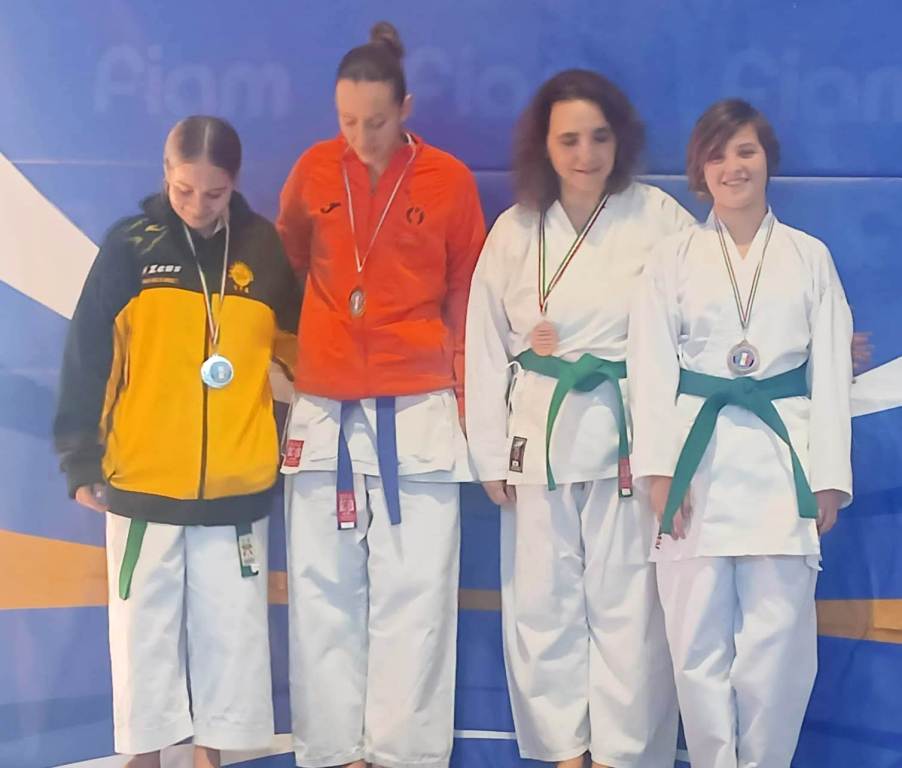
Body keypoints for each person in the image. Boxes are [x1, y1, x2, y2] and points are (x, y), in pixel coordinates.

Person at [53, 115, 300, 768]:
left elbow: (297, 352)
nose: (197, 205)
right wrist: (79, 457)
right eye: (184, 189)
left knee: (231, 639)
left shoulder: (263, 249)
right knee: (145, 641)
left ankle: (207, 758)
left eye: (213, 193)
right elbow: (87, 354)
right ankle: (144, 758)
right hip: (143, 482)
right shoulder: (130, 246)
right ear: (166, 174)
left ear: (235, 183)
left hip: (236, 486)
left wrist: (280, 431)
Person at [465, 69, 694, 768]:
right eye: (569, 140)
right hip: (538, 436)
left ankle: (626, 756)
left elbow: (710, 312)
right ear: (544, 144)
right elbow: (483, 343)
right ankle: (565, 754)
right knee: (544, 606)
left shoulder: (658, 218)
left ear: (620, 140)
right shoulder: (515, 229)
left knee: (631, 611)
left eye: (598, 137)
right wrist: (490, 451)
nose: (585, 154)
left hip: (628, 438)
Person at [275, 21, 486, 768]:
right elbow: (286, 268)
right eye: (347, 122)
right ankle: (333, 753)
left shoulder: (449, 181)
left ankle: (405, 756)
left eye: (376, 121)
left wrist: (471, 402)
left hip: (419, 404)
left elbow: (467, 296)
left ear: (405, 109)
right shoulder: (311, 171)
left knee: (417, 598)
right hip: (325, 405)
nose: (361, 137)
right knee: (321, 598)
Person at [628, 98, 853, 768]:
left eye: (746, 151)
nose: (734, 166)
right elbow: (649, 368)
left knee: (776, 652)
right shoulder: (670, 259)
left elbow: (831, 372)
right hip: (695, 465)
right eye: (719, 154)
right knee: (696, 648)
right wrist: (660, 471)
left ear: (767, 160)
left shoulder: (810, 257)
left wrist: (829, 476)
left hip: (783, 466)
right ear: (699, 170)